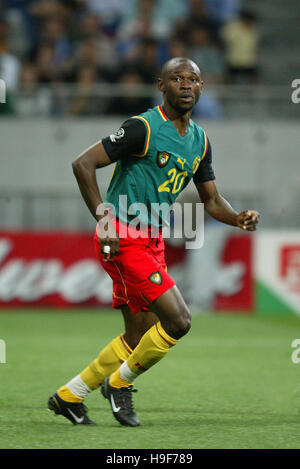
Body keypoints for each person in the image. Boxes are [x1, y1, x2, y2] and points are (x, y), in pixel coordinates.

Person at [47, 57, 259, 427]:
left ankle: (69, 396)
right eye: (177, 78)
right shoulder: (142, 128)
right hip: (123, 238)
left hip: (152, 240)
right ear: (161, 86)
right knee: (179, 321)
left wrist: (237, 218)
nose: (186, 85)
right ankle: (119, 385)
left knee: (138, 336)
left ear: (202, 87)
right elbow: (82, 164)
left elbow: (210, 199)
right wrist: (103, 216)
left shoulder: (199, 141)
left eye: (193, 79)